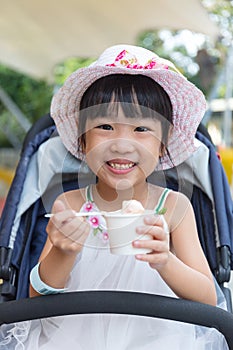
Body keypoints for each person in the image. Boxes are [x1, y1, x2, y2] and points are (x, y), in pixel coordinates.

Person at [0, 44, 228, 349]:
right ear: (82, 141)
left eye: (141, 129)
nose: (122, 145)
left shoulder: (174, 208)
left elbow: (208, 297)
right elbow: (37, 296)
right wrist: (63, 252)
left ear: (163, 146)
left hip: (159, 338)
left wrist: (164, 261)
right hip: (74, 336)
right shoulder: (71, 205)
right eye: (105, 126)